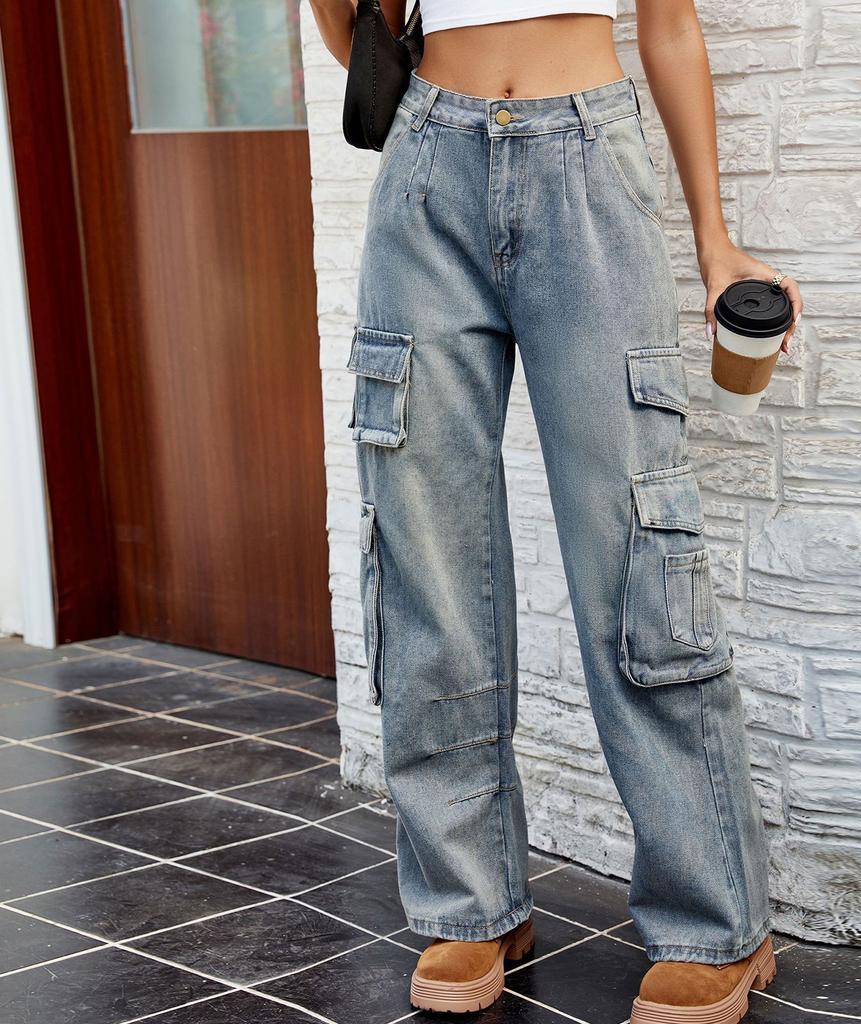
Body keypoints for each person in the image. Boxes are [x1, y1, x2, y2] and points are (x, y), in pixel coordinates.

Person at [311, 1, 803, 1020]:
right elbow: (360, 41)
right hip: (426, 162)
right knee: (422, 545)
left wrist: (714, 240)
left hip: (586, 152)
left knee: (636, 543)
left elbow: (668, 26)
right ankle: (470, 903)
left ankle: (715, 916)